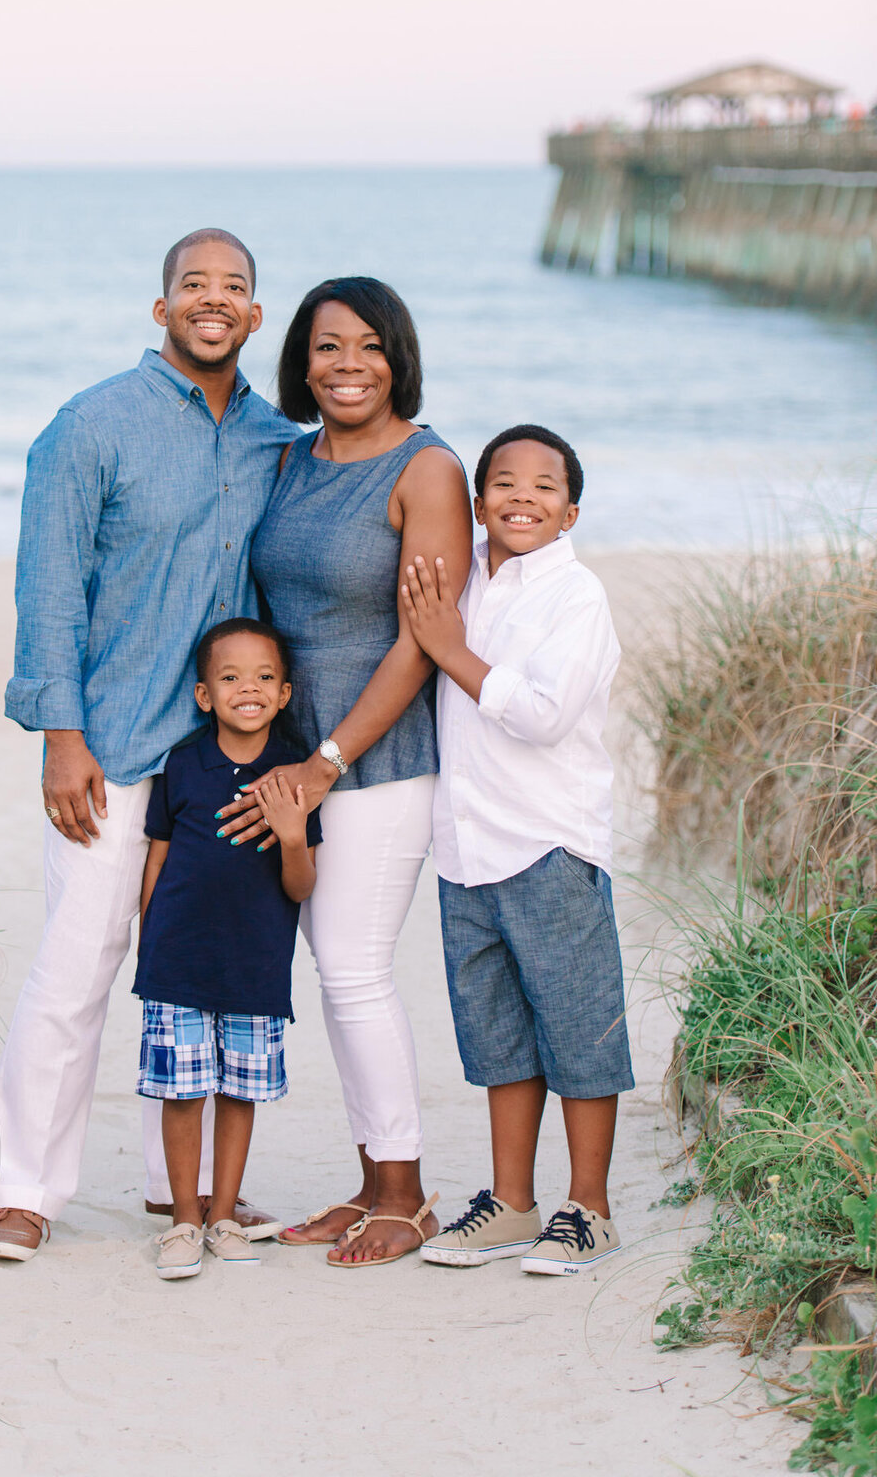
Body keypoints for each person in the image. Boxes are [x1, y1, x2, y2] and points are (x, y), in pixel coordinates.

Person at [0, 231, 291, 1262]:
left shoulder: (274, 440)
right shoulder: (89, 426)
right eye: (193, 284)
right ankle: (23, 1188)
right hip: (111, 749)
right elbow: (50, 589)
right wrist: (61, 737)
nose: (213, 299)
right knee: (76, 970)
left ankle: (180, 1191)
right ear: (162, 310)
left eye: (233, 288)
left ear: (254, 316)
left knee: (197, 975)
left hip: (220, 762)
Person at [221, 276, 472, 1267]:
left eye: (369, 345)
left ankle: (405, 1196)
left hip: (378, 759)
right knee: (336, 972)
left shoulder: (428, 469)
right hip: (298, 761)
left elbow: (422, 641)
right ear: (302, 361)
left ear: (398, 354)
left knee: (356, 967)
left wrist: (328, 760)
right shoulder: (291, 461)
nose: (348, 364)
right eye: (328, 347)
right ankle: (375, 1182)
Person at [400, 423, 634, 1276]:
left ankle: (590, 1210)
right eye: (504, 482)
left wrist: (450, 651)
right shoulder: (464, 582)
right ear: (476, 502)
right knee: (498, 1037)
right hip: (465, 847)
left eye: (544, 487)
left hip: (549, 842)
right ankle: (510, 1203)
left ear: (570, 513)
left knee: (578, 1031)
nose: (522, 498)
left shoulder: (576, 597)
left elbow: (542, 714)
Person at [134, 619, 320, 1279]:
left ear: (286, 692)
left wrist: (292, 834)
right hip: (176, 959)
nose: (250, 688)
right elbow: (157, 859)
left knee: (237, 1093)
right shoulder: (184, 764)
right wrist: (146, 942)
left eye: (265, 678)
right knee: (182, 1093)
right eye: (231, 677)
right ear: (205, 695)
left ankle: (221, 1217)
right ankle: (184, 1220)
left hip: (257, 963)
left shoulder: (295, 772)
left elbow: (300, 887)